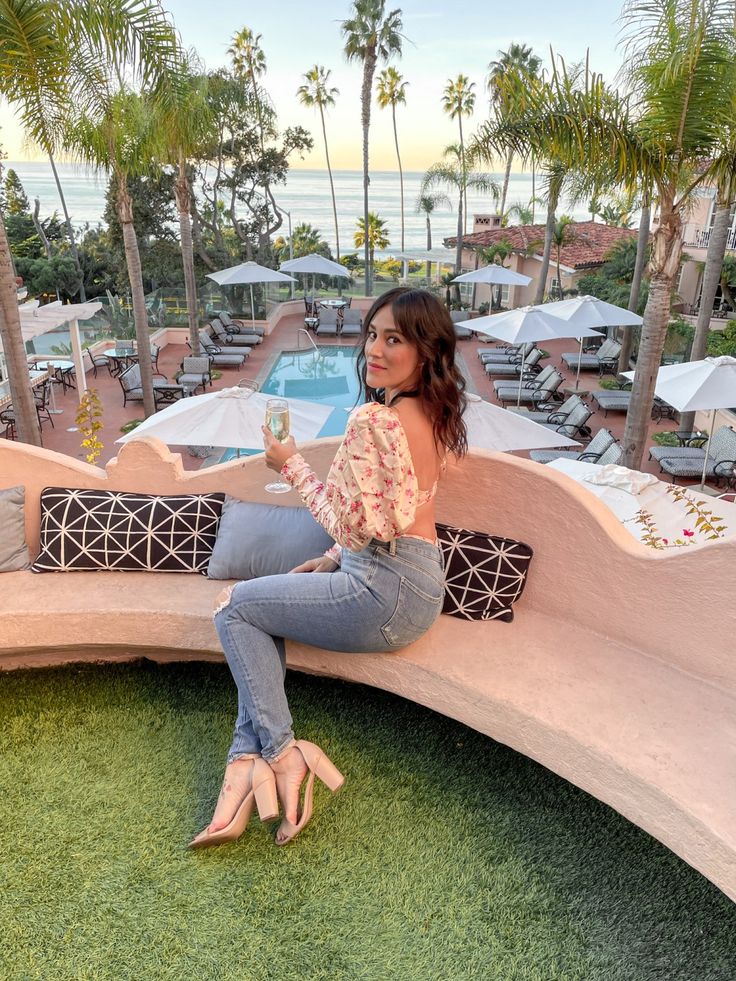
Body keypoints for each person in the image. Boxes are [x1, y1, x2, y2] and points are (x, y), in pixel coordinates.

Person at [191, 286, 467, 849]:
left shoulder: (376, 420)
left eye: (395, 339)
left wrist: (289, 463)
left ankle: (284, 754)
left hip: (383, 590)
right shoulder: (432, 412)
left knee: (236, 610)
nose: (375, 349)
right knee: (260, 614)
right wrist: (335, 558)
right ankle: (244, 768)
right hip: (416, 583)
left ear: (426, 350)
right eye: (372, 334)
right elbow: (389, 512)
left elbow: (347, 522)